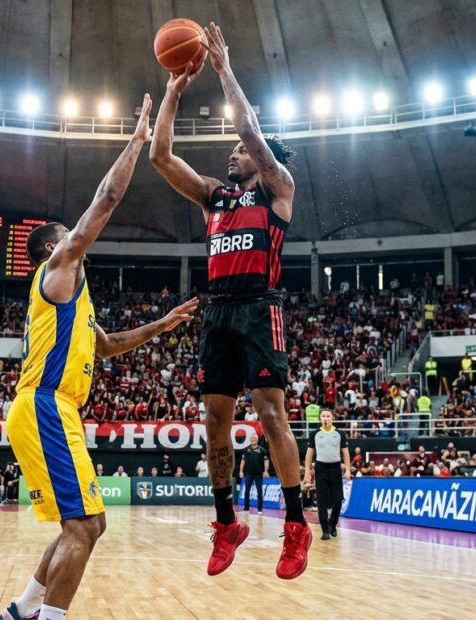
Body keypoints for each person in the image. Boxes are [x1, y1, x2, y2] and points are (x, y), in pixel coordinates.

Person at [0, 96, 200, 620]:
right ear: (52, 249)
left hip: (55, 409)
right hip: (45, 405)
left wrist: (162, 323)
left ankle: (22, 611)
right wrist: (136, 142)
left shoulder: (76, 300)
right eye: (69, 234)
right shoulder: (59, 268)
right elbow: (107, 198)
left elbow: (106, 345)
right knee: (83, 527)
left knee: (88, 525)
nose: (78, 238)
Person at [150, 22, 310, 580]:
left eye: (238, 151)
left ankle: (295, 525)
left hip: (258, 306)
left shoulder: (277, 185)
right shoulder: (215, 199)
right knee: (214, 421)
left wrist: (220, 69)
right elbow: (162, 157)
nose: (231, 154)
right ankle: (226, 523)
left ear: (260, 155)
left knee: (269, 413)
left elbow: (246, 123)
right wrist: (172, 93)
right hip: (216, 309)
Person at [303, 410, 351, 540]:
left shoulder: (340, 433)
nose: (325, 418)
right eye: (323, 416)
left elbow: (345, 453)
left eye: (328, 416)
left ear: (332, 418)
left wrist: (347, 469)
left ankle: (333, 524)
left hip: (335, 468)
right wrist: (307, 470)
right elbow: (309, 454)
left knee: (337, 500)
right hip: (320, 468)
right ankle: (325, 529)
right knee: (322, 501)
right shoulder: (315, 434)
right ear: (320, 418)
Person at [239, 435, 269, 514]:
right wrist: (241, 471)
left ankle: (259, 509)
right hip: (249, 474)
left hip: (258, 474)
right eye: (252, 438)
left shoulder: (262, 450)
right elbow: (243, 461)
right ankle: (246, 508)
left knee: (259, 492)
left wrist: (266, 471)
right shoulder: (246, 450)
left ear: (257, 440)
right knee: (246, 492)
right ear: (250, 440)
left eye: (254, 439)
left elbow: (266, 461)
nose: (253, 440)